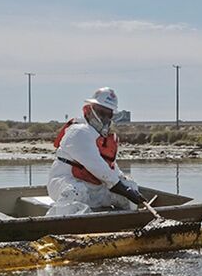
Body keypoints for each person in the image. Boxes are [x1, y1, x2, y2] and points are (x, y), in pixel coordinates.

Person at [47, 87, 146, 216]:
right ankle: (63, 225)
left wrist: (128, 187)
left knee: (130, 184)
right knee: (75, 191)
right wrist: (124, 189)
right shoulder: (78, 132)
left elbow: (111, 168)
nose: (104, 118)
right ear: (88, 111)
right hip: (67, 182)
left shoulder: (104, 138)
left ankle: (131, 222)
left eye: (108, 115)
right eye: (101, 113)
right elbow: (99, 168)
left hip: (94, 187)